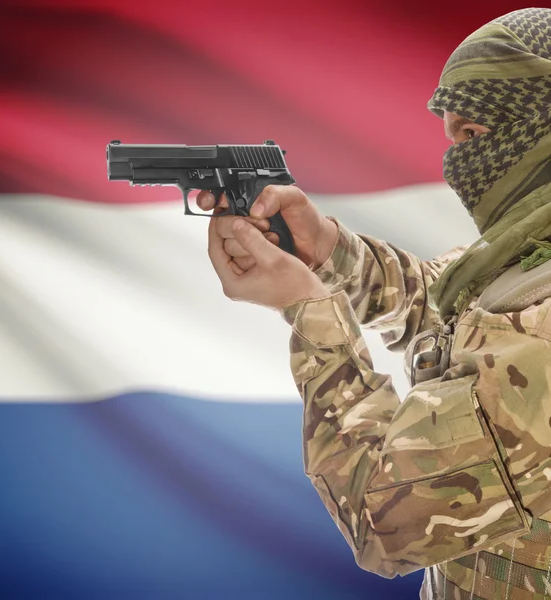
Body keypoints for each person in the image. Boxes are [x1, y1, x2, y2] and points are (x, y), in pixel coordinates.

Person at [198, 8, 551, 599]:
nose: (458, 161)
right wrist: (328, 250)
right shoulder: (529, 256)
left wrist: (310, 311)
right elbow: (451, 309)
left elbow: (384, 522)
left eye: (473, 134)